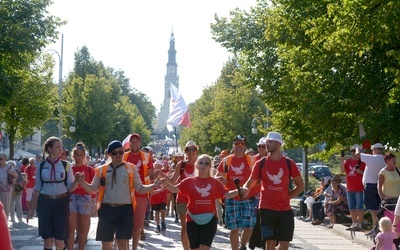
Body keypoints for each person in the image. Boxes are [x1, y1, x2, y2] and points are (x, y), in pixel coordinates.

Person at [76, 140, 161, 250]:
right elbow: (92, 189)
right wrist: (82, 182)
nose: (119, 155)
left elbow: (139, 188)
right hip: (107, 210)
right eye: (115, 153)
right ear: (109, 154)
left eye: (121, 152)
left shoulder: (131, 168)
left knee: (122, 243)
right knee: (106, 244)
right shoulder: (102, 170)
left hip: (125, 210)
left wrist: (153, 185)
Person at [161, 154, 239, 250]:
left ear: (210, 166)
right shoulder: (189, 181)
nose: (203, 165)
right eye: (201, 163)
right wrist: (163, 182)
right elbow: (174, 189)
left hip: (210, 219)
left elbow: (227, 194)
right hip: (192, 219)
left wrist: (239, 191)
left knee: (204, 248)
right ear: (196, 165)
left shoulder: (215, 182)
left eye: (206, 163)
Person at [242, 132, 304, 250]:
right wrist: (244, 189)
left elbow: (301, 186)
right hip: (266, 209)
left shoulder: (289, 163)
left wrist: (287, 197)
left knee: (284, 245)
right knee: (270, 243)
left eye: (270, 141)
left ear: (278, 144)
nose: (267, 144)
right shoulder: (261, 163)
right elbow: (250, 182)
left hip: (285, 210)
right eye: (266, 141)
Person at [27, 136, 79, 250]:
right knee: (47, 239)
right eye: (58, 147)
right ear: (49, 149)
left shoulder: (66, 165)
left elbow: (70, 188)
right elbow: (37, 188)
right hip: (45, 203)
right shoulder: (41, 166)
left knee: (60, 240)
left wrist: (76, 181)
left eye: (61, 147)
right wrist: (31, 209)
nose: (61, 149)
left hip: (61, 203)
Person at [215, 135, 257, 250]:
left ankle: (243, 245)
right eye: (237, 143)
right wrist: (221, 179)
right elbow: (216, 177)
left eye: (242, 144)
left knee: (249, 227)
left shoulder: (252, 160)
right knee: (234, 228)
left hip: (248, 197)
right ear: (233, 145)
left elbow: (258, 179)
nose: (239, 146)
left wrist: (251, 190)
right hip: (232, 198)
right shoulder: (226, 160)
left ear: (245, 146)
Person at [158, 140, 198, 250]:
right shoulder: (181, 165)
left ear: (196, 151)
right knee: (185, 227)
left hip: (197, 200)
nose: (190, 152)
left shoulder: (200, 163)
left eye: (193, 149)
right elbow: (173, 181)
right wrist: (162, 174)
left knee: (195, 226)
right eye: (188, 150)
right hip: (182, 199)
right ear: (185, 152)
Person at [122, 133, 154, 250]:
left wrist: (156, 176)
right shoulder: (123, 156)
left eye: (137, 141)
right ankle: (124, 247)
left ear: (140, 143)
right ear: (129, 143)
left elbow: (151, 174)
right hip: (125, 194)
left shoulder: (146, 156)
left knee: (137, 225)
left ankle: (134, 248)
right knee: (125, 224)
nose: (135, 143)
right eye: (132, 141)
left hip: (141, 194)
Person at [67, 142, 96, 250]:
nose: (78, 157)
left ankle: (81, 248)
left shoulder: (90, 170)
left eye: (81, 155)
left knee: (82, 228)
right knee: (71, 227)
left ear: (84, 156)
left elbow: (94, 187)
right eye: (76, 155)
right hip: (71, 198)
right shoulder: (69, 169)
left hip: (85, 198)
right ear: (73, 155)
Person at [358, 143, 386, 235]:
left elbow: (357, 154)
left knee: (372, 209)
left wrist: (359, 148)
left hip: (370, 186)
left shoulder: (371, 158)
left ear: (374, 150)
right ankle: (380, 228)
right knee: (379, 207)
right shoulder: (385, 159)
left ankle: (375, 227)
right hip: (380, 185)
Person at [340, 144, 365, 231]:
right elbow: (342, 170)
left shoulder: (363, 161)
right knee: (352, 207)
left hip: (359, 188)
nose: (353, 152)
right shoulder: (348, 161)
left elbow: (366, 174)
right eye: (352, 151)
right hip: (350, 188)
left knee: (360, 207)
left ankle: (359, 224)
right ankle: (354, 223)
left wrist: (360, 172)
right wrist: (341, 160)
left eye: (355, 151)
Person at [150, 160, 167, 233]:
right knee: (156, 211)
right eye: (156, 166)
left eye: (159, 167)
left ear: (161, 167)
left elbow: (169, 182)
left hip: (163, 197)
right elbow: (150, 188)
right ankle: (158, 226)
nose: (157, 168)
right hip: (155, 197)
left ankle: (163, 222)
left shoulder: (164, 175)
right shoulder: (152, 177)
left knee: (163, 210)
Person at [0, 153, 18, 222]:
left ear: (5, 159)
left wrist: (11, 173)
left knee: (6, 207)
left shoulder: (9, 167)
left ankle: (5, 222)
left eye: (1, 159)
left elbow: (16, 176)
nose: (0, 160)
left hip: (6, 189)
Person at [8, 160, 25, 224]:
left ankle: (20, 218)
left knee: (18, 204)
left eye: (12, 165)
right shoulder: (7, 172)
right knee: (11, 205)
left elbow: (22, 179)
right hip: (10, 189)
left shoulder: (17, 171)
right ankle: (12, 219)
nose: (11, 167)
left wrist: (18, 183)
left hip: (17, 189)